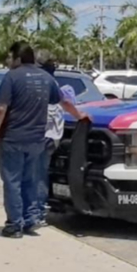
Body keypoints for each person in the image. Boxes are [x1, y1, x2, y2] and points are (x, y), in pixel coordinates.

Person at [0, 42, 87, 238]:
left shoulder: (11, 77)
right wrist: (80, 116)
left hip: (12, 139)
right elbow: (64, 101)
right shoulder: (46, 78)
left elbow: (1, 109)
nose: (8, 61)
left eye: (10, 57)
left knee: (12, 182)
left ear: (17, 58)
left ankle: (14, 225)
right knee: (31, 181)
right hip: (36, 139)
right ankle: (30, 219)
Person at [37, 52, 77, 229]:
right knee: (39, 175)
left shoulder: (47, 85)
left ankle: (36, 212)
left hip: (45, 138)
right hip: (49, 138)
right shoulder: (53, 85)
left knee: (36, 176)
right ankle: (37, 210)